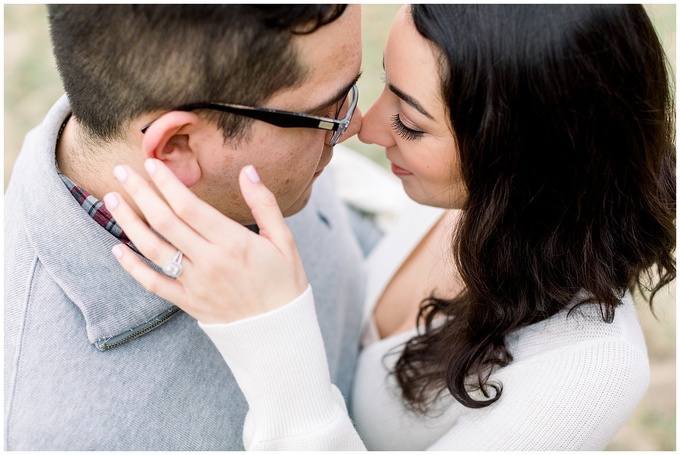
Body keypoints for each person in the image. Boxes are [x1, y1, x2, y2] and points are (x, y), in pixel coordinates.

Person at [107, 4, 675, 451]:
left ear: (522, 162)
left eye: (409, 122)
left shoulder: (586, 373)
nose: (365, 127)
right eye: (384, 86)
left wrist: (270, 332)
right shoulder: (486, 204)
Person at [3, 5, 380, 451]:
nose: (356, 125)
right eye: (328, 111)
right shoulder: (51, 432)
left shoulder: (245, 156)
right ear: (177, 146)